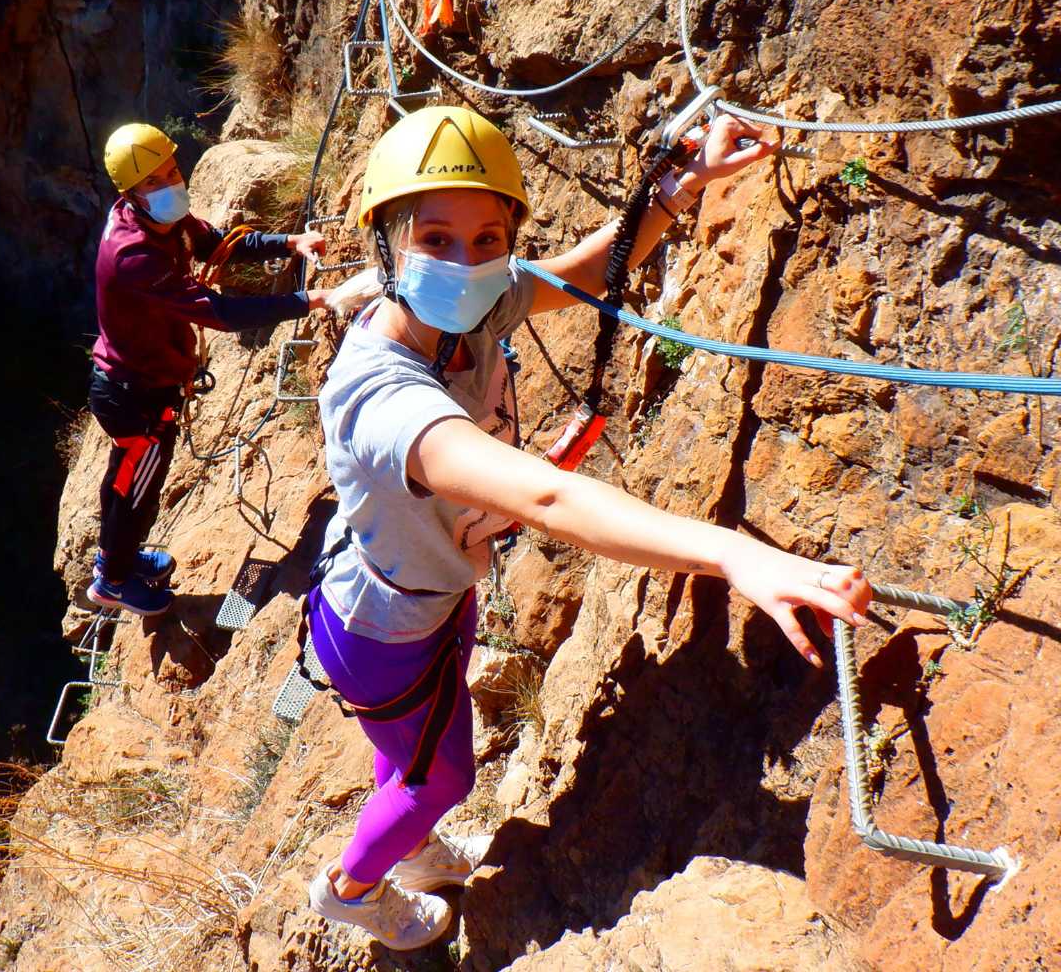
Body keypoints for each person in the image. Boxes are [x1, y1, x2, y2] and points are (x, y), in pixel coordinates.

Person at [303, 106, 875, 950]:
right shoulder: (380, 396)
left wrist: (679, 190)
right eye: (435, 239)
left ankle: (412, 849)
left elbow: (585, 270)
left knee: (414, 753)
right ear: (386, 244)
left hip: (412, 599)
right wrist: (729, 553)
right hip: (383, 623)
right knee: (442, 776)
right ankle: (352, 888)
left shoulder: (470, 311)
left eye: (487, 236)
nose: (466, 261)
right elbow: (549, 501)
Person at [87, 122, 334, 616]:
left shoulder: (164, 223)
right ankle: (114, 581)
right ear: (132, 194)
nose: (170, 184)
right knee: (138, 492)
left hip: (140, 385)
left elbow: (215, 244)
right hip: (135, 397)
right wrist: (308, 301)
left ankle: (117, 560)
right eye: (155, 180)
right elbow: (222, 314)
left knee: (127, 481)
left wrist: (289, 242)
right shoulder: (133, 254)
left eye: (171, 171)